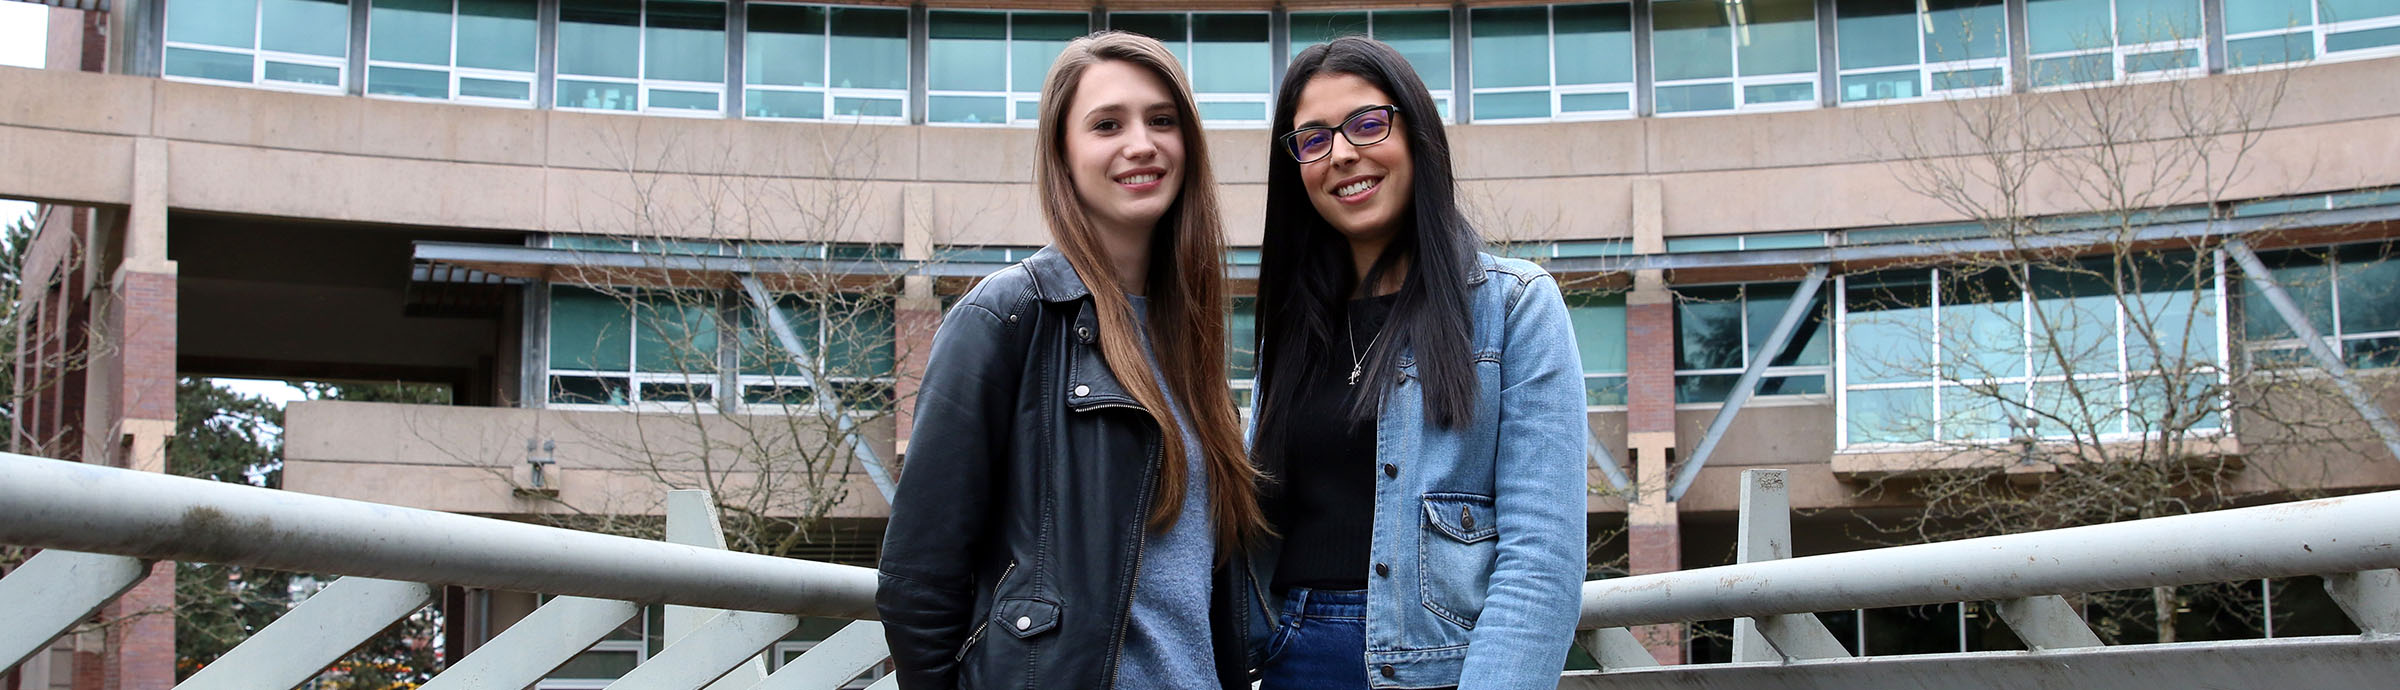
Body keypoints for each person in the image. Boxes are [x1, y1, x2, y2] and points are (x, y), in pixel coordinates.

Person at [875, 31, 1270, 690]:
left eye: (1162, 120)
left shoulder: (1189, 345)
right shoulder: (1008, 316)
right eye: (1107, 124)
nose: (1141, 143)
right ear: (1063, 152)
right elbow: (918, 578)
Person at [1242, 36, 1589, 690]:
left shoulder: (1514, 306)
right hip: (1291, 658)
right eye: (1313, 139)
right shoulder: (1288, 333)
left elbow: (1541, 560)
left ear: (1417, 135)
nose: (1342, 153)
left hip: (1437, 670)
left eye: (1367, 123)